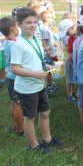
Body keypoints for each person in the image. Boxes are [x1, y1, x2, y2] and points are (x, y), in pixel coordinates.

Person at [11, 8, 63, 153]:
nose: (33, 25)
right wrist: (34, 74)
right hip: (27, 88)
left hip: (39, 85)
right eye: (28, 23)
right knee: (30, 117)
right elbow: (15, 68)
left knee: (46, 112)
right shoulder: (18, 44)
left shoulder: (36, 39)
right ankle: (34, 146)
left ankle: (47, 139)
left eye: (35, 22)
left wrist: (50, 66)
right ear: (19, 24)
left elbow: (36, 61)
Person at [0, 17, 23, 135]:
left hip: (9, 76)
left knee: (13, 102)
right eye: (17, 26)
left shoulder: (7, 43)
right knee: (19, 104)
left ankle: (15, 125)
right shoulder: (14, 45)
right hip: (15, 78)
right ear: (13, 29)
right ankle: (21, 129)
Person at [58, 18, 77, 103]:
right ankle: (70, 96)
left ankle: (73, 94)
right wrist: (65, 62)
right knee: (70, 79)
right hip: (73, 62)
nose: (66, 35)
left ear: (71, 28)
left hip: (79, 63)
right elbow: (70, 52)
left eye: (67, 32)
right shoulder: (70, 39)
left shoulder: (81, 37)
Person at [40, 10, 59, 93]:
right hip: (48, 54)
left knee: (51, 69)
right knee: (48, 70)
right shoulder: (44, 29)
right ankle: (48, 85)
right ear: (46, 18)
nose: (52, 19)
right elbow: (44, 41)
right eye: (51, 17)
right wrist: (48, 53)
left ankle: (51, 84)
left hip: (51, 52)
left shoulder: (48, 28)